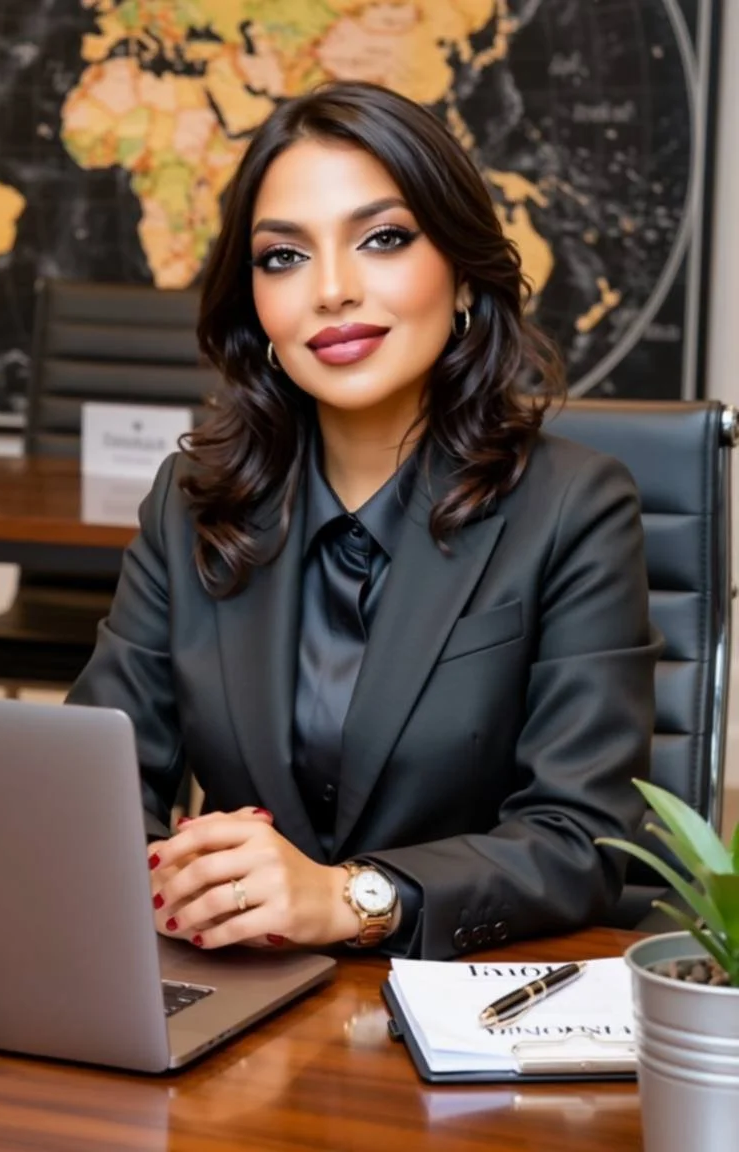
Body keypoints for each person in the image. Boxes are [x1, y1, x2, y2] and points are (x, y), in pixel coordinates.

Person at [67, 81, 659, 961]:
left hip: (465, 1008)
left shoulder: (575, 506)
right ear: (256, 304)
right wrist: (173, 874)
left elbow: (584, 841)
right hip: (246, 997)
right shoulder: (191, 500)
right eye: (284, 257)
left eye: (383, 239)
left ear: (461, 271)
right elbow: (98, 788)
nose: (333, 291)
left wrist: (352, 897)